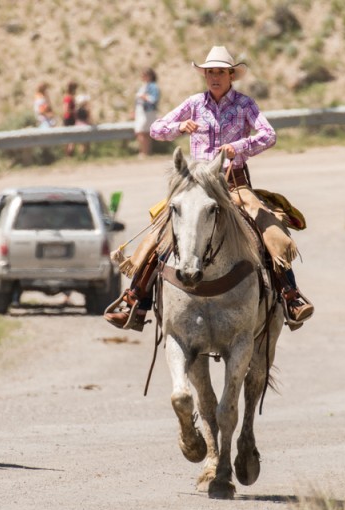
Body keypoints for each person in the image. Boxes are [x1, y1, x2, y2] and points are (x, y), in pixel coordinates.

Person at [104, 45, 313, 331]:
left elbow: (269, 135)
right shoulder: (193, 104)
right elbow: (156, 129)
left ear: (231, 75)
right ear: (204, 75)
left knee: (268, 227)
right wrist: (180, 126)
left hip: (233, 183)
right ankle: (135, 300)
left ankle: (290, 296)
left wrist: (238, 147)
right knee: (160, 230)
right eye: (209, 72)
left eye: (220, 72)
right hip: (197, 183)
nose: (215, 77)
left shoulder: (245, 105)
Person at [134, 67, 160, 158]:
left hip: (148, 111)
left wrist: (144, 97)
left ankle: (144, 152)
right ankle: (145, 151)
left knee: (142, 131)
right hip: (141, 111)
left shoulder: (153, 86)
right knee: (141, 131)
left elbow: (154, 99)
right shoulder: (143, 86)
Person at [62, 81, 78, 156]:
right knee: (71, 138)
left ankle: (68, 154)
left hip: (69, 118)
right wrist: (74, 111)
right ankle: (69, 154)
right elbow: (66, 109)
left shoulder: (69, 97)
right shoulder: (68, 98)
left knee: (69, 138)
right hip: (69, 118)